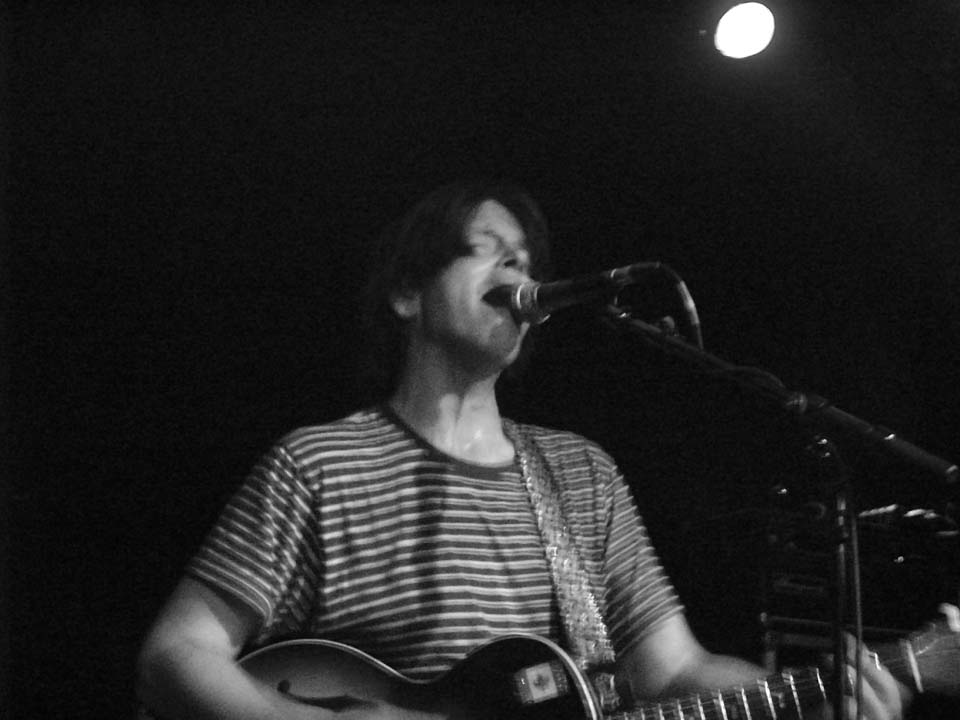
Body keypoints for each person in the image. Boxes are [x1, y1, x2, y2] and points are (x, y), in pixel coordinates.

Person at [136, 179, 908, 720]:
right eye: (489, 250)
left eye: (528, 263)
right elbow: (177, 652)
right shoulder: (320, 465)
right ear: (408, 293)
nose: (520, 273)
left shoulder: (582, 475)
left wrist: (809, 698)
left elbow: (671, 671)